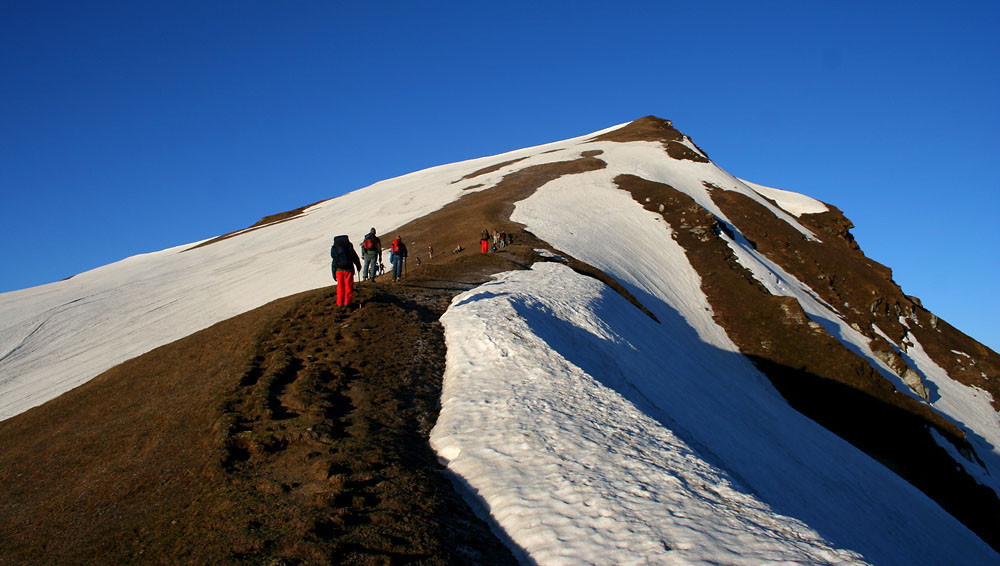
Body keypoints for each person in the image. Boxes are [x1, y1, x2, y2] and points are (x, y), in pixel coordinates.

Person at [330, 234, 361, 306]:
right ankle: (347, 303)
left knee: (340, 287)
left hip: (339, 270)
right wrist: (358, 266)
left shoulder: (335, 247)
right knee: (348, 286)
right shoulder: (348, 245)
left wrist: (334, 273)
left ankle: (340, 303)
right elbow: (354, 256)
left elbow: (334, 261)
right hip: (348, 269)